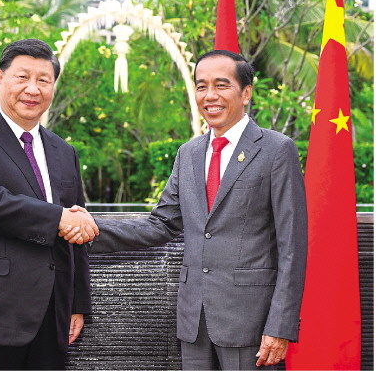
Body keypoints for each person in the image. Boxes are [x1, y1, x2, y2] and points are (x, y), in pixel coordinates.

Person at [61, 50, 308, 370]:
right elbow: (161, 224)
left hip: (252, 321)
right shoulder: (189, 153)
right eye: (202, 86)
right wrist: (89, 227)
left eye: (221, 85)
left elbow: (292, 245)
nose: (210, 95)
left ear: (246, 93)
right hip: (194, 319)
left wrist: (279, 326)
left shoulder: (276, 149)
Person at [0, 38, 98, 370]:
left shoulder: (64, 151)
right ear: (0, 79)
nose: (33, 89)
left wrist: (77, 303)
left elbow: (76, 228)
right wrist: (58, 218)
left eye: (44, 80)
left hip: (51, 314)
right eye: (22, 77)